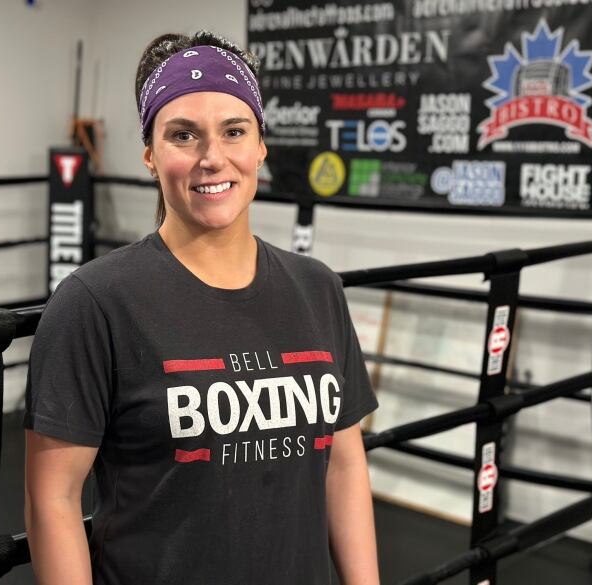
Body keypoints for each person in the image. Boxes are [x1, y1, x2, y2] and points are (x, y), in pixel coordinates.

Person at [24, 30, 380, 585]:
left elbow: (344, 464)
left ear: (261, 145)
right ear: (150, 155)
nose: (212, 158)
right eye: (183, 135)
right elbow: (55, 501)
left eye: (234, 131)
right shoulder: (95, 302)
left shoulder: (319, 289)